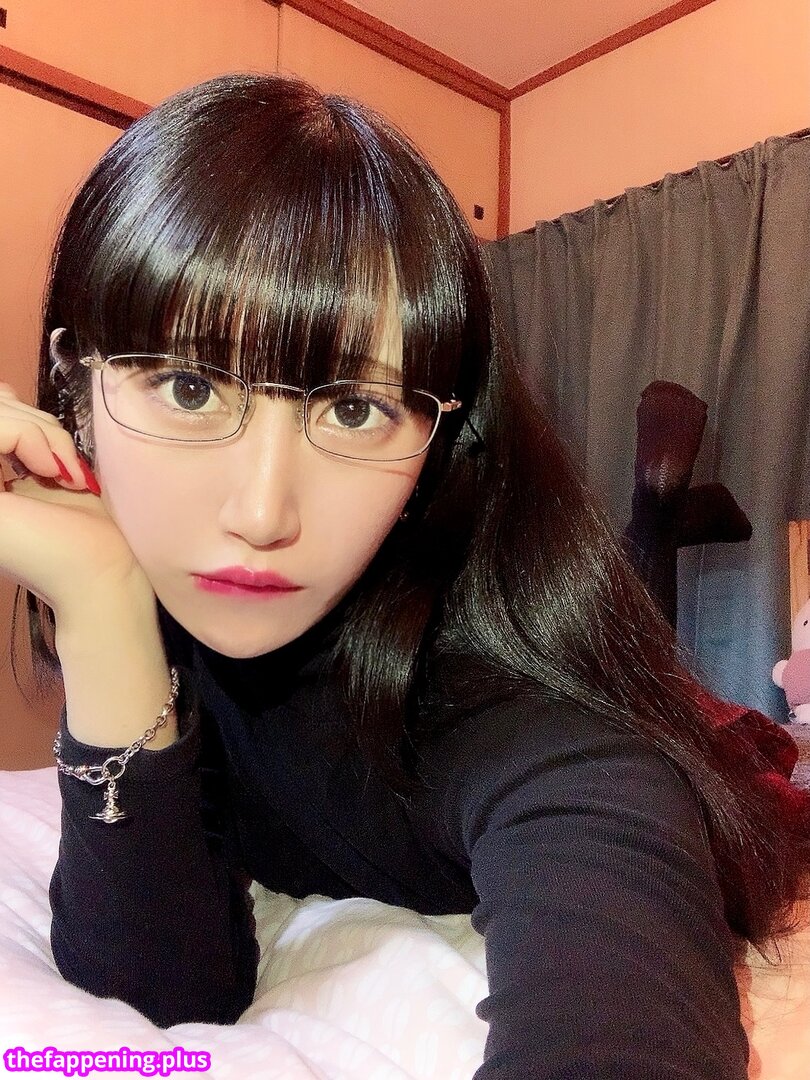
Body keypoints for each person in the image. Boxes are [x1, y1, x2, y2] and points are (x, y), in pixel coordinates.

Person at [1, 72, 809, 1079]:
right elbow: (160, 992)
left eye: (354, 408)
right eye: (191, 385)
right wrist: (101, 608)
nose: (263, 514)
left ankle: (660, 519)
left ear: (437, 442)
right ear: (75, 387)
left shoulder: (512, 710)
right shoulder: (169, 614)